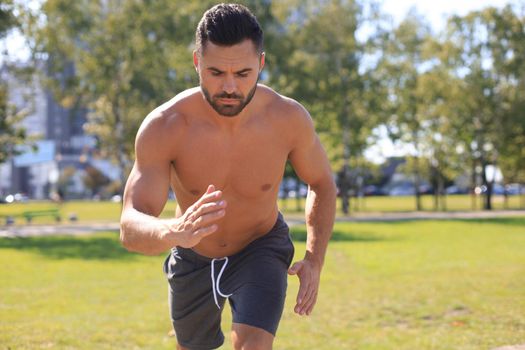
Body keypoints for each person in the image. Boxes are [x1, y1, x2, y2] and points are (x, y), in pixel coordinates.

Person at [120, 3, 336, 350]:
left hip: (260, 246)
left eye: (244, 73)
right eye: (216, 72)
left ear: (261, 64)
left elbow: (323, 183)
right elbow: (130, 225)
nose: (230, 88)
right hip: (192, 255)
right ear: (196, 63)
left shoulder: (287, 118)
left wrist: (314, 259)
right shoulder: (165, 126)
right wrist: (172, 232)